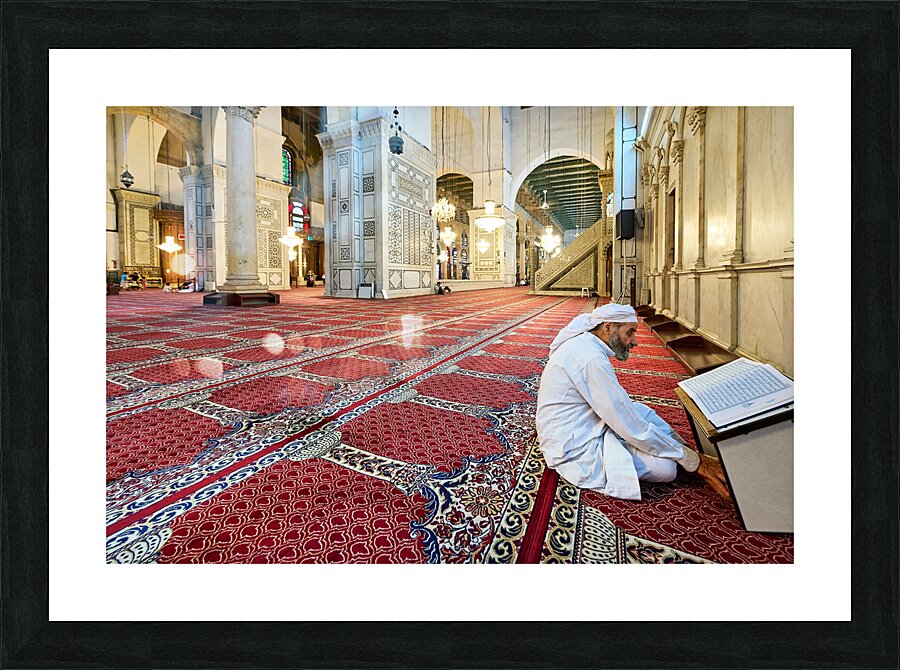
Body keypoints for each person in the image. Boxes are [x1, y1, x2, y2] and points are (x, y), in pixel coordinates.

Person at [535, 303, 730, 501]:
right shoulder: (590, 358)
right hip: (574, 443)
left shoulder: (587, 345)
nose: (635, 341)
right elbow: (627, 423)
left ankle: (678, 450)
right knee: (666, 469)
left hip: (584, 422)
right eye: (630, 332)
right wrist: (695, 462)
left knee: (642, 412)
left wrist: (683, 454)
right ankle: (683, 456)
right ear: (608, 327)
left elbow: (623, 412)